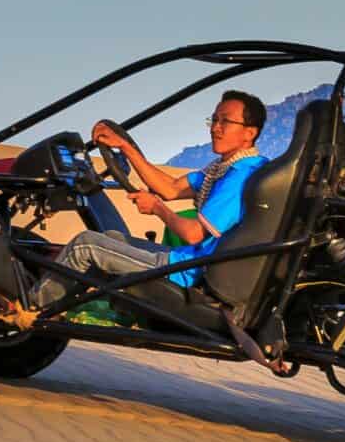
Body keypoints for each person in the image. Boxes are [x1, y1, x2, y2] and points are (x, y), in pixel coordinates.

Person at [15, 91, 268, 318]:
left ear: (250, 132)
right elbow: (169, 188)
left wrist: (157, 208)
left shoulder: (241, 175)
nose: (215, 128)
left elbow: (193, 234)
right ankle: (59, 308)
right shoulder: (223, 169)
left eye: (225, 121)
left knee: (85, 245)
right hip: (186, 260)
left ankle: (27, 311)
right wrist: (126, 148)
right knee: (111, 237)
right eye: (213, 120)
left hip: (187, 271)